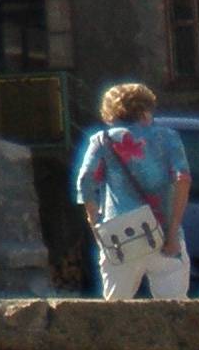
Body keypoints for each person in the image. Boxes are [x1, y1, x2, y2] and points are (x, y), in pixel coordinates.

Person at [72, 81, 191, 300]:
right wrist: (173, 232)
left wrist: (95, 224)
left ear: (110, 113)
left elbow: (85, 182)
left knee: (116, 309)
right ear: (146, 109)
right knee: (175, 310)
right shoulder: (168, 138)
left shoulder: (102, 141)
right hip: (164, 233)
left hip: (121, 237)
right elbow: (182, 180)